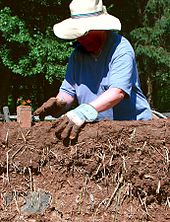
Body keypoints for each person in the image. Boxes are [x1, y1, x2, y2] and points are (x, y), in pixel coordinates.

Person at [34, 0, 152, 140]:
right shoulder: (78, 55)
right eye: (79, 35)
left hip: (133, 131)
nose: (82, 40)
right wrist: (59, 103)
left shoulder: (120, 49)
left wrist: (82, 112)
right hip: (98, 132)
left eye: (87, 33)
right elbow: (68, 92)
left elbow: (117, 92)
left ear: (102, 27)